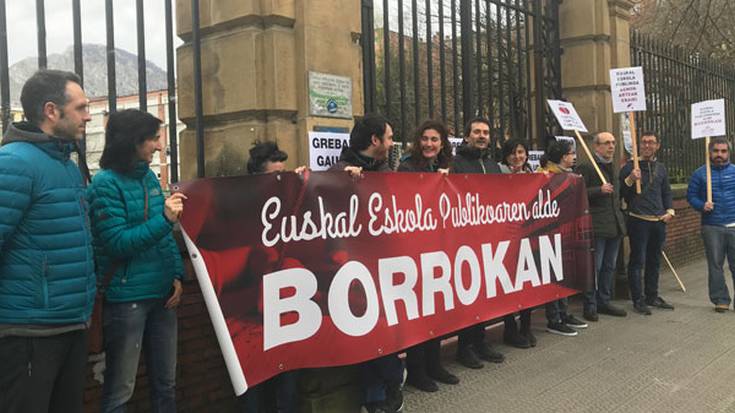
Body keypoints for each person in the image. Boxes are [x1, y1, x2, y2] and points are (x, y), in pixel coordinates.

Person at [0, 69, 94, 413]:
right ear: (51, 111)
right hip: (28, 331)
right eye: (81, 107)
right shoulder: (14, 163)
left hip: (70, 322)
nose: (88, 116)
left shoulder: (66, 165)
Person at [88, 109, 185, 413]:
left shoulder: (150, 179)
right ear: (133, 141)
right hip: (126, 299)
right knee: (120, 390)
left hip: (162, 295)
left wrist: (176, 275)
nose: (159, 145)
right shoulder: (105, 185)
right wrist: (165, 219)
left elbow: (165, 237)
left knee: (166, 384)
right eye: (154, 139)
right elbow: (118, 243)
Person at [330, 114, 402, 413]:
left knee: (384, 330)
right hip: (352, 268)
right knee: (365, 332)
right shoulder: (338, 171)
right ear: (375, 140)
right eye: (389, 137)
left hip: (384, 263)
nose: (392, 143)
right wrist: (341, 181)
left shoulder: (385, 171)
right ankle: (375, 395)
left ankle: (392, 380)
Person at [398, 120, 459, 393]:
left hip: (441, 246)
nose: (429, 144)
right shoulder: (407, 166)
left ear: (442, 143)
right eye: (425, 138)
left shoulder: (448, 166)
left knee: (437, 308)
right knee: (419, 311)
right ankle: (417, 369)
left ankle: (435, 364)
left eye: (434, 139)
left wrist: (448, 180)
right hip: (415, 248)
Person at [241, 140, 301, 413]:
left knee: (288, 371)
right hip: (253, 308)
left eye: (283, 174)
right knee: (254, 374)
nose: (280, 180)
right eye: (275, 175)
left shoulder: (288, 199)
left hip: (284, 303)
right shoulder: (241, 205)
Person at [450, 117, 505, 369]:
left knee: (484, 294)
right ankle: (465, 347)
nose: (482, 136)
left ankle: (481, 341)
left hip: (489, 238)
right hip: (464, 240)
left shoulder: (493, 166)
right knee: (468, 295)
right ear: (467, 136)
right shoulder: (456, 164)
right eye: (477, 132)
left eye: (485, 132)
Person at [537, 140, 589, 336]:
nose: (574, 157)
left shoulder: (569, 176)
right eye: (570, 153)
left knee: (564, 274)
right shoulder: (544, 175)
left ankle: (564, 313)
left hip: (565, 233)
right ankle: (554, 318)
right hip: (549, 235)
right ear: (561, 156)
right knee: (553, 277)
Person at [620, 131, 675, 315]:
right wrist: (630, 180)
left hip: (658, 221)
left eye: (651, 142)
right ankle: (638, 299)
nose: (647, 145)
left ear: (657, 146)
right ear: (638, 146)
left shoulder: (661, 168)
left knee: (654, 260)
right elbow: (621, 193)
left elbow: (666, 192)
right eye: (644, 142)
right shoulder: (629, 167)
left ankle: (652, 295)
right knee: (637, 261)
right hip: (638, 221)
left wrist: (670, 210)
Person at [576, 132, 628, 322]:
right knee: (595, 268)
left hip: (614, 225)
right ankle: (590, 304)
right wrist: (599, 190)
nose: (611, 146)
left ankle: (604, 301)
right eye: (607, 143)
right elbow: (578, 192)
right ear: (597, 146)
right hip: (597, 226)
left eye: (613, 143)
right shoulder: (587, 167)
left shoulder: (613, 167)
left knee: (609, 267)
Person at [687, 137, 735, 313]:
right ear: (709, 153)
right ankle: (720, 299)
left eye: (723, 151)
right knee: (715, 265)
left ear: (728, 153)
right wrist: (702, 205)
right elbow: (691, 196)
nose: (719, 154)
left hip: (734, 224)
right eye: (716, 151)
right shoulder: (700, 174)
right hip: (711, 225)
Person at [498, 139, 536, 348]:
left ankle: (526, 327)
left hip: (527, 236)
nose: (517, 157)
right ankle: (510, 328)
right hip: (505, 237)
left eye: (521, 152)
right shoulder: (498, 175)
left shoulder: (531, 175)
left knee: (527, 284)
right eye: (513, 153)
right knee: (507, 284)